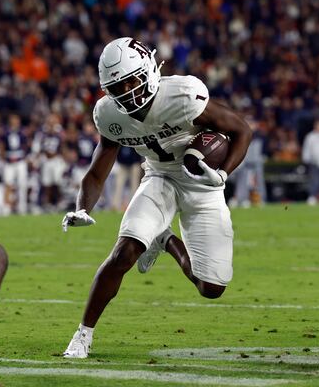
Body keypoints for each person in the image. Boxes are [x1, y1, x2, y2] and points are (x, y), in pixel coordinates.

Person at [61, 38, 251, 358]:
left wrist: (223, 174)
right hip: (159, 177)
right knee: (124, 253)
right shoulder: (110, 114)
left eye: (130, 82)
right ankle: (82, 336)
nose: (125, 93)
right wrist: (82, 208)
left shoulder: (183, 95)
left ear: (148, 70)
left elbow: (242, 130)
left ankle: (165, 241)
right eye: (116, 88)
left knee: (211, 288)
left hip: (201, 183)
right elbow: (97, 170)